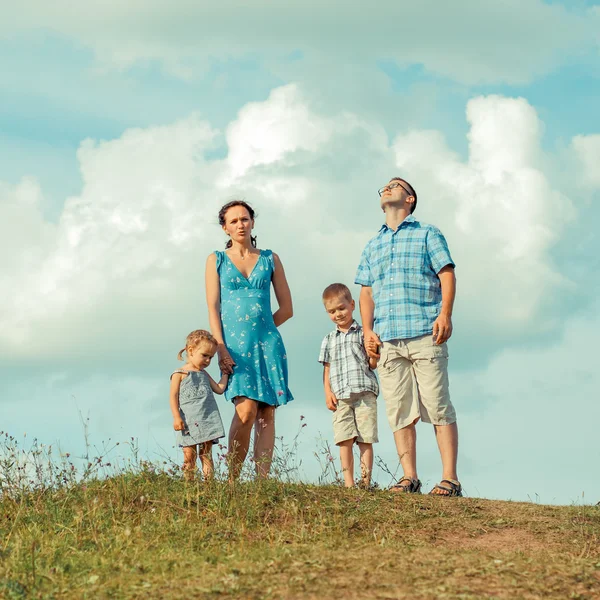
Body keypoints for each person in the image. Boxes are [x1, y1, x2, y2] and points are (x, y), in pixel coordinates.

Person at [355, 178, 462, 497]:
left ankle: (449, 479)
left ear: (410, 198)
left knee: (438, 404)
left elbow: (446, 273)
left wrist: (445, 313)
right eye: (384, 186)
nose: (386, 188)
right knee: (399, 410)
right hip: (388, 338)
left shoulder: (428, 233)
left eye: (395, 185)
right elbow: (366, 291)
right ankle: (409, 477)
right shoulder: (372, 244)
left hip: (426, 331)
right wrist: (368, 331)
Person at [205, 200, 294, 479]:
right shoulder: (215, 260)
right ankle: (232, 479)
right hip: (234, 349)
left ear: (252, 222)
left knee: (266, 415)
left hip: (268, 345)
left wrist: (263, 329)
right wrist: (220, 348)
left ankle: (262, 482)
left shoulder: (270, 258)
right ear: (225, 227)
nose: (240, 225)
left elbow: (287, 309)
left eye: (244, 219)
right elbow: (213, 308)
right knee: (245, 411)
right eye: (233, 221)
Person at [319, 283, 379, 488]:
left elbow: (372, 364)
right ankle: (348, 484)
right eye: (332, 311)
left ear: (352, 305)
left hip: (364, 391)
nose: (338, 314)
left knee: (365, 438)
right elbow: (326, 369)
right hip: (341, 395)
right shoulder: (328, 339)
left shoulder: (364, 334)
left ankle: (365, 481)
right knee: (344, 438)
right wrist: (328, 392)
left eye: (341, 308)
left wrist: (373, 356)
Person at [169, 329, 228, 481]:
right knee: (189, 456)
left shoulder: (204, 374)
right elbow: (173, 397)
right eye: (204, 355)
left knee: (206, 455)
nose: (208, 360)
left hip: (207, 420)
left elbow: (219, 389)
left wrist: (226, 373)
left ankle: (209, 485)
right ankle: (189, 486)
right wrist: (176, 417)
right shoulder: (179, 373)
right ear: (191, 350)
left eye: (211, 357)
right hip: (188, 422)